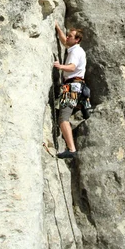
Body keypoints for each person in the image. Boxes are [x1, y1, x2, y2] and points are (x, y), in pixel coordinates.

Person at [53, 22, 87, 159]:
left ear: (77, 39)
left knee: (63, 119)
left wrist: (59, 66)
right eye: (68, 35)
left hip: (72, 86)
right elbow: (64, 41)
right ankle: (71, 148)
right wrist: (57, 28)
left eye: (70, 36)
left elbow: (72, 68)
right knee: (63, 117)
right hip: (75, 85)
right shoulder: (75, 49)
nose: (67, 37)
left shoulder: (76, 52)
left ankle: (71, 149)